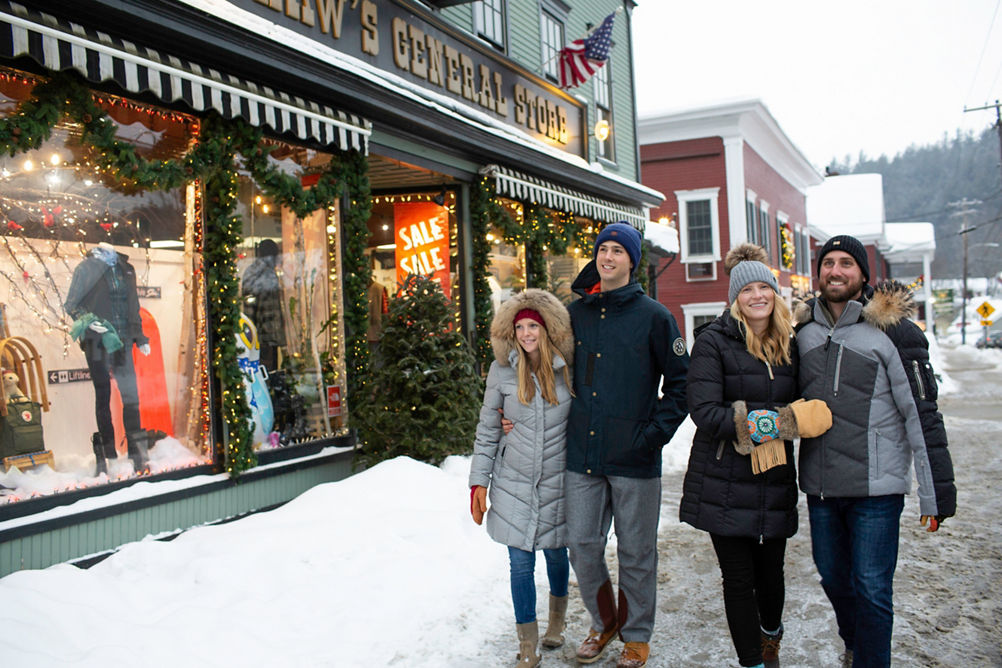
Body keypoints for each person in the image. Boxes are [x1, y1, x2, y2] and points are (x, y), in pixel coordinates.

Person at [794, 235, 956, 668]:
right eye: (828, 262)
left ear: (864, 274)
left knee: (871, 586)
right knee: (833, 578)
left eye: (847, 263)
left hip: (877, 490)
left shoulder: (895, 333)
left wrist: (934, 493)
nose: (835, 271)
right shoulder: (802, 331)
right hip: (821, 486)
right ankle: (855, 644)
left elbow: (921, 416)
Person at [680, 244, 833, 668]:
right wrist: (780, 423)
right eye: (747, 289)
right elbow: (705, 412)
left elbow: (809, 398)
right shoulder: (714, 341)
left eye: (764, 287)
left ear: (775, 293)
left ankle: (771, 634)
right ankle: (752, 662)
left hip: (774, 475)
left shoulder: (791, 342)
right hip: (723, 477)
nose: (757, 296)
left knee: (772, 574)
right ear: (735, 298)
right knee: (738, 578)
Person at [564, 222, 689, 668]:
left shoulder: (655, 317)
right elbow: (546, 372)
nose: (608, 257)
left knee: (636, 552)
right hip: (582, 454)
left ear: (632, 261)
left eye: (618, 250)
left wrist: (651, 437)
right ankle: (604, 622)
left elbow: (681, 386)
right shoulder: (575, 314)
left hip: (634, 457)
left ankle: (636, 636)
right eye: (603, 249)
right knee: (581, 543)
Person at [468, 288, 575, 668]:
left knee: (556, 555)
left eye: (534, 325)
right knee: (519, 564)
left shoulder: (567, 368)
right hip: (513, 480)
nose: (527, 333)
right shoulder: (500, 372)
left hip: (558, 481)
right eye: (520, 327)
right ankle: (527, 643)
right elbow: (487, 429)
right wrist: (478, 482)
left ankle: (557, 623)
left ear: (547, 329)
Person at [65, 242, 150, 473]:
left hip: (122, 341)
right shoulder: (87, 268)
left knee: (131, 397)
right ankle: (108, 457)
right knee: (103, 395)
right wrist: (90, 321)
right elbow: (71, 305)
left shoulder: (126, 268)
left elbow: (133, 305)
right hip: (97, 342)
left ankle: (137, 454)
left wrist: (140, 337)